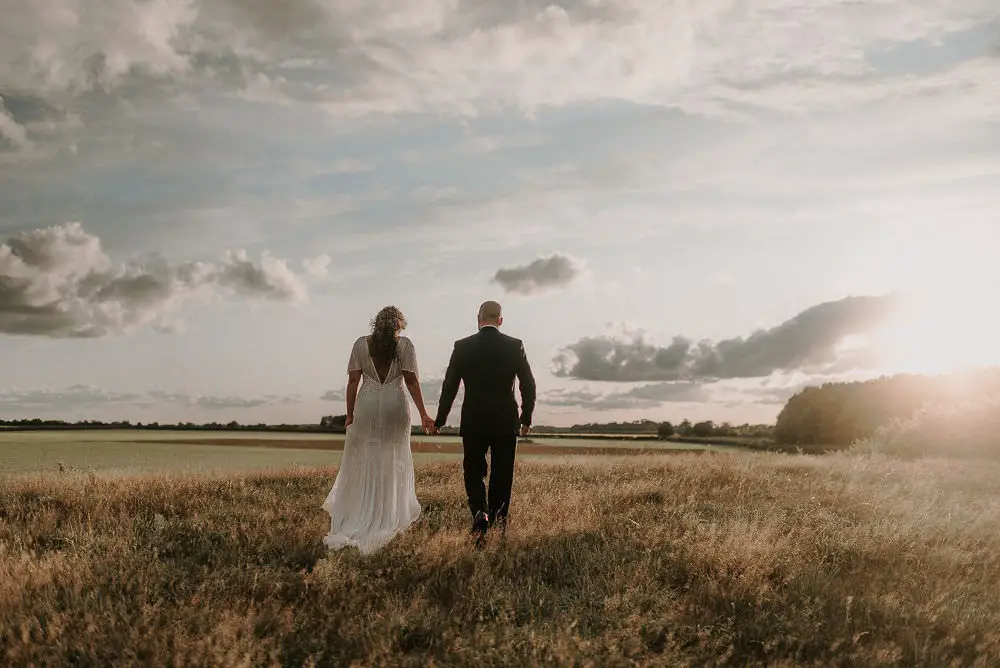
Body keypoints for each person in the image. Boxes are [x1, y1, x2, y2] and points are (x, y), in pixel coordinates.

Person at [321, 306, 436, 554]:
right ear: (399, 325)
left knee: (366, 458)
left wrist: (350, 414)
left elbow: (353, 381)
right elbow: (412, 381)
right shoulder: (404, 346)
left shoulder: (360, 345)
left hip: (368, 405)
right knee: (393, 457)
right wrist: (424, 414)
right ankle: (389, 512)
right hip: (395, 405)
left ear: (376, 323)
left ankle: (361, 510)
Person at [433, 300, 536, 541]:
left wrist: (439, 420)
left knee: (474, 470)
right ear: (501, 320)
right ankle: (499, 520)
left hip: (474, 419)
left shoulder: (462, 347)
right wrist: (526, 416)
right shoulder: (515, 346)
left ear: (478, 318)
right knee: (502, 473)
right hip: (505, 420)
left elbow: (449, 386)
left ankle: (480, 512)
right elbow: (528, 384)